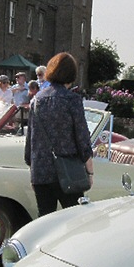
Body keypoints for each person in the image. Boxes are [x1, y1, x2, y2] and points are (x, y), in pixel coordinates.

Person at [25, 52, 93, 217]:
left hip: (41, 171)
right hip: (68, 170)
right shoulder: (72, 100)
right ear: (72, 74)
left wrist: (32, 168)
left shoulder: (36, 100)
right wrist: (90, 172)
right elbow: (82, 138)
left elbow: (30, 139)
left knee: (45, 221)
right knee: (75, 220)